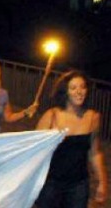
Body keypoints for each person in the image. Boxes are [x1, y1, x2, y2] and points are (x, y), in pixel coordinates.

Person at [35, 71, 107, 207]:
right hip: (51, 183)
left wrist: (102, 182)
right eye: (73, 88)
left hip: (79, 185)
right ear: (65, 92)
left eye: (82, 87)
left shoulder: (93, 117)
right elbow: (34, 150)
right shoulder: (52, 116)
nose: (79, 92)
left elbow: (95, 152)